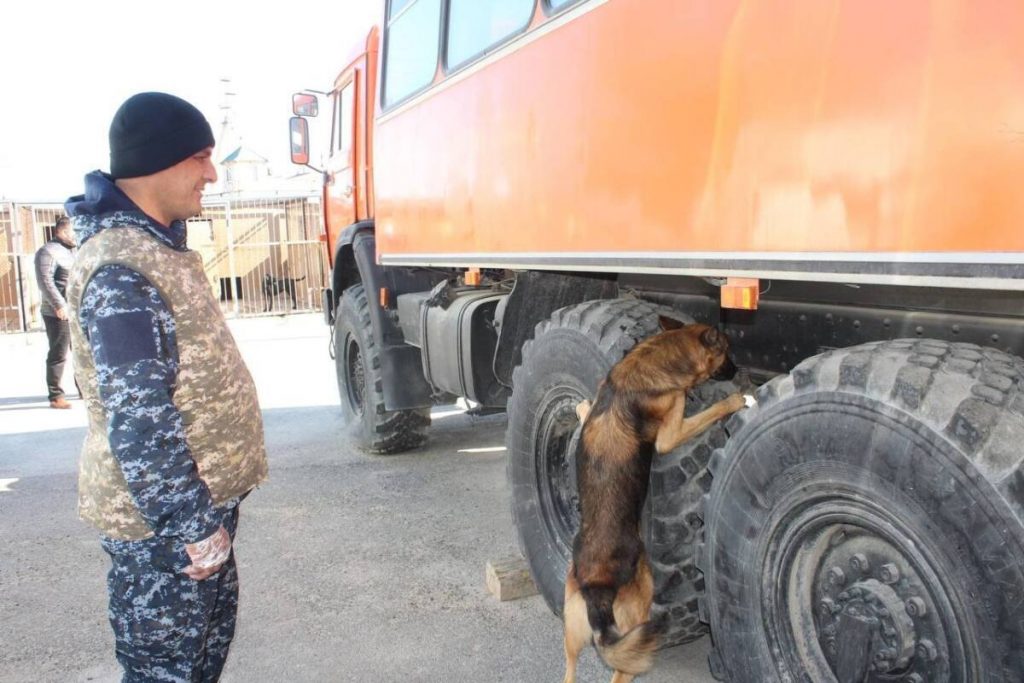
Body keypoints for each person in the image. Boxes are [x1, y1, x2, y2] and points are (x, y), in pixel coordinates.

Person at [64, 92, 268, 683]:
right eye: (201, 157)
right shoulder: (122, 269)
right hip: (166, 531)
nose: (211, 172)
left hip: (193, 514)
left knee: (199, 663)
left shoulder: (158, 248)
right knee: (166, 673)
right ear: (161, 161)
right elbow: (141, 421)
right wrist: (192, 525)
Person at [34, 216, 77, 408]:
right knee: (59, 353)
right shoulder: (48, 252)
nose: (75, 236)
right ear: (61, 231)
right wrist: (59, 305)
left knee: (81, 352)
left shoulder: (73, 251)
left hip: (77, 310)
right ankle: (55, 395)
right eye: (72, 233)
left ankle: (84, 389)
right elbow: (45, 281)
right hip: (58, 313)